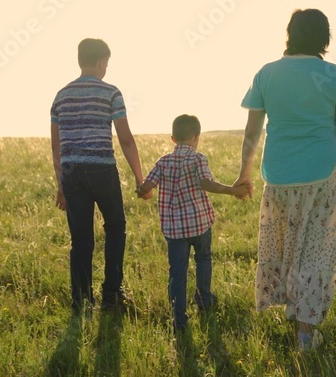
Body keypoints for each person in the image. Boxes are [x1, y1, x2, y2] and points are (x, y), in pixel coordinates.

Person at [235, 8, 336, 352]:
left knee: (286, 248)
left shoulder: (266, 73)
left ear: (290, 34)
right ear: (324, 37)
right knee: (315, 253)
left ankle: (294, 314)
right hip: (321, 174)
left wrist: (244, 175)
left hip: (278, 174)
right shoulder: (334, 74)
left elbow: (251, 132)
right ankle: (306, 332)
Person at [51, 38, 147, 313]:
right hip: (101, 168)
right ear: (102, 61)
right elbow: (126, 140)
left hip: (71, 173)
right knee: (115, 227)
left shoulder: (61, 96)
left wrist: (60, 185)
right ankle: (112, 295)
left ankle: (81, 300)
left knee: (81, 239)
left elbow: (56, 146)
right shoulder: (111, 93)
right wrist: (140, 179)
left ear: (80, 60)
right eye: (107, 62)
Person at [137, 115, 250, 332]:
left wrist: (143, 191)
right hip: (199, 224)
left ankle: (179, 320)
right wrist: (233, 190)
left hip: (174, 229)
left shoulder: (163, 161)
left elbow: (147, 186)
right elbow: (206, 183)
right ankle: (204, 299)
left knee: (177, 272)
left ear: (172, 138)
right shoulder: (199, 159)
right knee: (203, 259)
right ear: (196, 137)